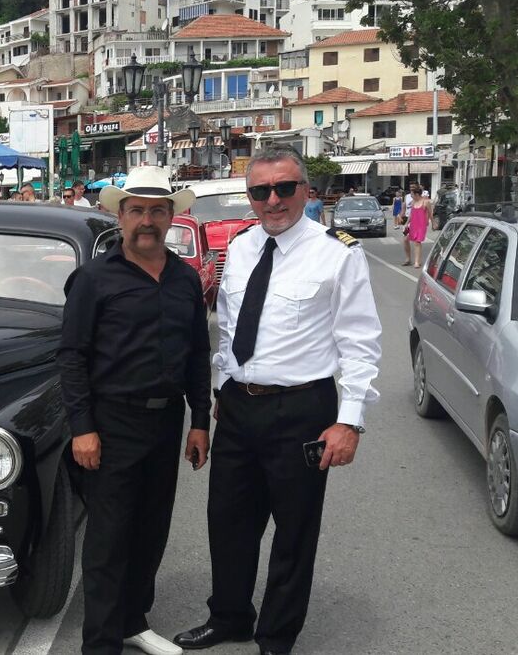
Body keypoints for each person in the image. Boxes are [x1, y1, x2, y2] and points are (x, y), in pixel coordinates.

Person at [174, 148, 381, 655]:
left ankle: (276, 636)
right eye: (260, 191)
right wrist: (223, 387)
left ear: (306, 191)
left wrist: (349, 421)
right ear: (250, 197)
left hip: (302, 409)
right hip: (239, 407)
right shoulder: (241, 246)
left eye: (284, 188)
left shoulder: (338, 253)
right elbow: (229, 329)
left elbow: (359, 342)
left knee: (294, 530)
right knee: (227, 521)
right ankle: (229, 617)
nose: (273, 200)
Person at [59, 166, 210, 655]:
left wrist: (200, 421)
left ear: (171, 217)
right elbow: (72, 357)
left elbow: (197, 353)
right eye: (138, 210)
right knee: (108, 539)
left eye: (157, 211)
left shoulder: (185, 279)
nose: (148, 220)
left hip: (166, 423)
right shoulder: (93, 279)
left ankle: (132, 621)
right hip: (111, 423)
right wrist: (82, 428)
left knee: (151, 529)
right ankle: (101, 643)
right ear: (120, 216)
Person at [404, 185, 433, 267]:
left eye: (412, 194)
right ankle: (408, 258)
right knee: (405, 240)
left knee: (417, 242)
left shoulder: (426, 202)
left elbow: (430, 213)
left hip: (421, 225)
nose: (411, 196)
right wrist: (407, 223)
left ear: (416, 194)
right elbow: (411, 214)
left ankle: (417, 261)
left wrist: (433, 223)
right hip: (413, 224)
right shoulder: (413, 202)